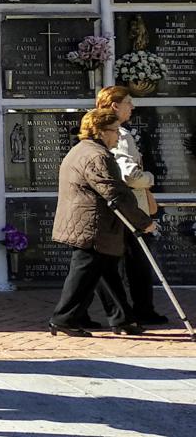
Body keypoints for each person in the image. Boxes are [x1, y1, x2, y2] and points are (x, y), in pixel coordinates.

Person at [49, 107, 157, 338]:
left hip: (90, 223)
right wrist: (143, 222)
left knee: (107, 272)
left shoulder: (82, 150)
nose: (118, 136)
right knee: (83, 272)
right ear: (100, 131)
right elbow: (115, 193)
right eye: (115, 130)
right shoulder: (97, 156)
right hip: (92, 225)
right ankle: (64, 319)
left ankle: (122, 319)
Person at [90, 87, 167, 326]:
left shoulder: (105, 132)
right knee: (136, 262)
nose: (132, 107)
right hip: (129, 207)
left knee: (112, 263)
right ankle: (140, 310)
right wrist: (150, 178)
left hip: (117, 206)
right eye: (128, 103)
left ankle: (125, 312)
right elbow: (130, 175)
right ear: (115, 106)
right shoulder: (121, 135)